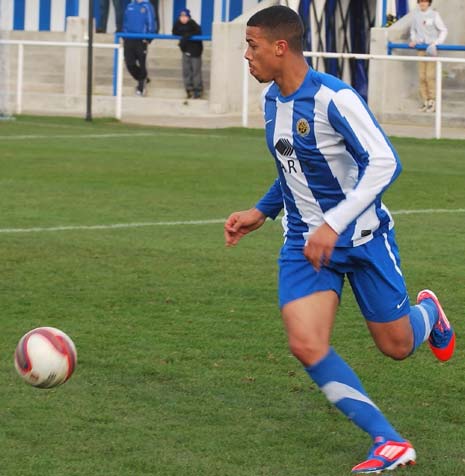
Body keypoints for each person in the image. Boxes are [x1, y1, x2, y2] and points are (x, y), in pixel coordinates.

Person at [224, 6, 455, 474]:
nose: (246, 55)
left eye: (252, 45)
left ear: (280, 47)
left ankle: (428, 313)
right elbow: (294, 167)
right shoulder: (272, 100)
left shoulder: (335, 98)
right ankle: (389, 441)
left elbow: (385, 163)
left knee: (396, 346)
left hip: (364, 239)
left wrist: (335, 223)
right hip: (305, 247)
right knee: (307, 343)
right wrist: (261, 211)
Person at [408, 0, 447, 113]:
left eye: (425, 1)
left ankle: (433, 101)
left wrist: (437, 42)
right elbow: (413, 31)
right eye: (421, 1)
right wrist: (414, 40)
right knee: (422, 76)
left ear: (429, 3)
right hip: (420, 48)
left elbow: (443, 30)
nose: (423, 3)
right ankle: (425, 100)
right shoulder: (416, 15)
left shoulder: (435, 15)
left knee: (430, 76)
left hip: (431, 49)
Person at [122, 0, 157, 96]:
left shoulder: (147, 6)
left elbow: (151, 22)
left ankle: (141, 87)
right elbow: (125, 21)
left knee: (142, 63)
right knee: (129, 63)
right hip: (129, 39)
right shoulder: (130, 5)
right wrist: (124, 35)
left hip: (141, 40)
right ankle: (143, 78)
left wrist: (149, 37)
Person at [172, 9, 203, 99]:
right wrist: (185, 34)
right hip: (185, 51)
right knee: (186, 71)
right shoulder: (178, 23)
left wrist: (187, 35)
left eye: (185, 16)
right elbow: (174, 31)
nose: (183, 18)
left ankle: (198, 90)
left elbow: (198, 32)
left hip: (195, 51)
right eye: (181, 16)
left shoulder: (192, 23)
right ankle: (189, 90)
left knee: (196, 72)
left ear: (189, 17)